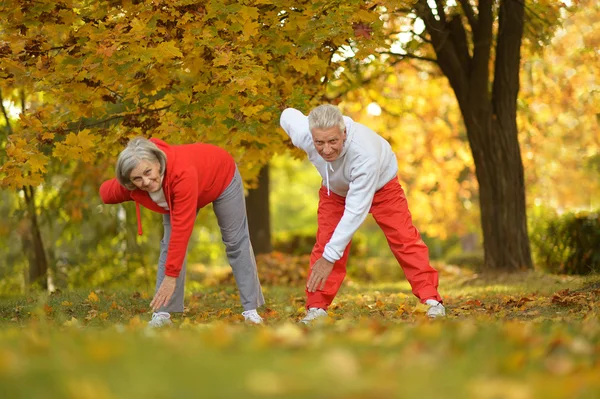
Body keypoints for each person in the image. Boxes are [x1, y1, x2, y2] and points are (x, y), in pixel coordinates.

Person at [279, 104, 446, 324]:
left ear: (344, 133)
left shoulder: (363, 152)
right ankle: (317, 307)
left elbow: (355, 211)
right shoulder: (304, 134)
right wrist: (285, 109)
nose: (326, 150)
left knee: (404, 239)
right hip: (335, 191)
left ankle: (431, 300)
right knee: (327, 243)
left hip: (382, 187)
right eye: (319, 142)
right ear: (311, 136)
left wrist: (330, 257)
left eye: (333, 141)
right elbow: (288, 115)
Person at [99, 137, 265, 326]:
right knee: (169, 247)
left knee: (235, 241)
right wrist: (125, 188)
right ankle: (162, 316)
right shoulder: (134, 183)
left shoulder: (182, 173)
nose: (146, 181)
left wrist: (171, 276)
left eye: (148, 172)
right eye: (137, 178)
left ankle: (251, 310)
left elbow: (182, 230)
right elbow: (105, 193)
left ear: (157, 161)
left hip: (221, 176)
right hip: (182, 193)